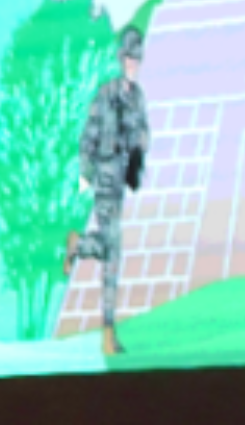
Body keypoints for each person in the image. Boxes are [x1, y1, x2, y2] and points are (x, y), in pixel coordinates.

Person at [65, 26, 153, 356]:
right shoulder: (106, 94)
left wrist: (137, 161)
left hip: (120, 180)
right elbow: (89, 133)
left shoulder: (137, 97)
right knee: (113, 252)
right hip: (104, 177)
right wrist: (86, 172)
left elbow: (142, 135)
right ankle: (108, 332)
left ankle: (79, 245)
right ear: (121, 58)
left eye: (136, 59)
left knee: (108, 248)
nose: (133, 64)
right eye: (129, 58)